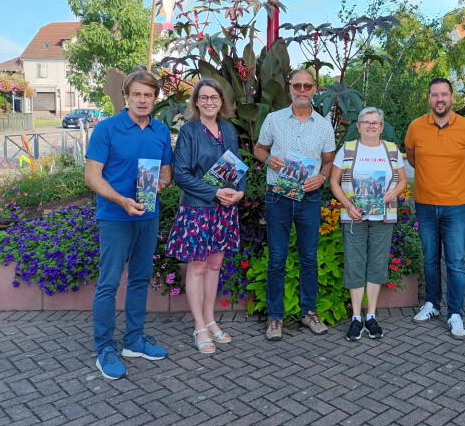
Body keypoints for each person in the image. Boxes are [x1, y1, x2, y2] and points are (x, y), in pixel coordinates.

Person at [85, 70, 173, 380]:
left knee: (139, 279)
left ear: (154, 99)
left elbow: (166, 173)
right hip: (115, 218)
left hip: (147, 217)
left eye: (148, 95)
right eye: (137, 94)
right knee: (108, 284)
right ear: (126, 97)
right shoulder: (107, 129)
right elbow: (92, 176)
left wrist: (161, 184)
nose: (142, 100)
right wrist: (121, 200)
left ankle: (133, 340)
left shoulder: (161, 131)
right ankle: (105, 347)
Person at [253, 69, 336, 341]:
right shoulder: (274, 120)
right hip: (278, 195)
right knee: (277, 257)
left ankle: (308, 311)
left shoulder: (324, 125)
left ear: (315, 89)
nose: (302, 90)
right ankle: (275, 317)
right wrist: (267, 160)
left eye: (307, 86)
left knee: (309, 257)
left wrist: (322, 177)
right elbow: (258, 148)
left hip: (308, 197)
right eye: (297, 85)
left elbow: (328, 159)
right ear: (290, 88)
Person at [165, 79, 245, 354]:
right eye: (204, 97)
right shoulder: (189, 130)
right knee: (197, 267)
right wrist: (215, 192)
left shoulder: (228, 129)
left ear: (222, 101)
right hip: (198, 209)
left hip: (224, 210)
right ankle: (199, 326)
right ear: (196, 102)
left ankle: (211, 320)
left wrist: (240, 193)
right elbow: (181, 175)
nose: (209, 102)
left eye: (214, 97)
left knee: (214, 266)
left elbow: (237, 166)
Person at [405, 77, 465, 339]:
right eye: (435, 95)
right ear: (428, 98)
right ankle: (433, 305)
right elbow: (413, 159)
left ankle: (455, 312)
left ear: (452, 98)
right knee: (429, 259)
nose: (440, 99)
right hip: (425, 204)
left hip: (455, 206)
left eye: (444, 95)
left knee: (456, 262)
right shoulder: (415, 127)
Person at [329, 107, 407, 342]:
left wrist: (394, 191)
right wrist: (347, 204)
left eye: (376, 122)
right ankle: (355, 317)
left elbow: (402, 180)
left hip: (382, 216)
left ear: (382, 127)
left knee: (377, 262)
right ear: (358, 126)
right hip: (354, 215)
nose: (371, 126)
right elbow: (334, 182)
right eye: (366, 122)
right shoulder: (348, 149)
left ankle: (371, 315)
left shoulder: (392, 150)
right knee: (354, 263)